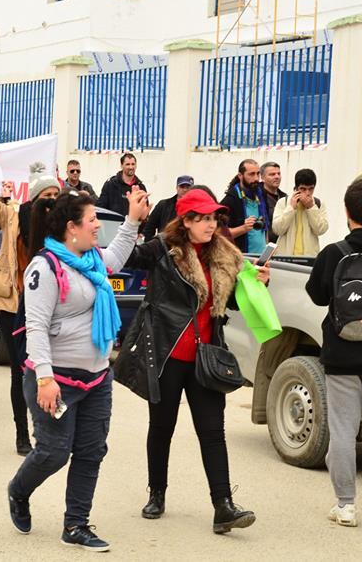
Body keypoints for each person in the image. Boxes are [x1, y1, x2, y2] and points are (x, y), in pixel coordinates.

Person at [118, 188, 269, 534]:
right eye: (201, 218)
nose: (210, 224)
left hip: (205, 357)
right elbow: (125, 260)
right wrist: (131, 220)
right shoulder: (163, 250)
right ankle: (157, 493)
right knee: (162, 428)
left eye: (213, 217)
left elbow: (228, 305)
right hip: (168, 354)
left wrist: (258, 283)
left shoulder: (226, 254)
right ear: (185, 222)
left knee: (213, 432)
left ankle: (223, 506)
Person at [7, 188, 149, 551]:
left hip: (98, 376)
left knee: (90, 451)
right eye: (92, 221)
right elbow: (36, 326)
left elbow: (116, 257)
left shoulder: (93, 260)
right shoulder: (46, 267)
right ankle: (18, 490)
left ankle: (76, 524)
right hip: (57, 381)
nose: (97, 226)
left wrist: (132, 219)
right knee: (54, 452)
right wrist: (45, 378)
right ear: (71, 228)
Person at [305, 179, 362, 528]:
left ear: (346, 212)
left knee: (342, 430)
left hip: (341, 357)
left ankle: (346, 506)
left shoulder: (333, 252)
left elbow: (317, 296)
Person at [0, 161, 60, 455]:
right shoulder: (12, 216)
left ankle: (49, 430)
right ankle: (22, 434)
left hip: (50, 305)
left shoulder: (63, 226)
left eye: (55, 195)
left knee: (51, 370)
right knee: (21, 371)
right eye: (46, 195)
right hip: (15, 303)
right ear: (34, 198)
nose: (51, 201)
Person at [271, 169, 328, 256]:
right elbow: (277, 230)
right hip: (286, 257)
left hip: (309, 258)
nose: (307, 193)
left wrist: (311, 208)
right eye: (303, 189)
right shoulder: (283, 202)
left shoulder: (318, 204)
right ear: (296, 188)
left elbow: (320, 230)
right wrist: (291, 208)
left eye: (311, 189)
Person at [220, 159, 268, 254]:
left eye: (258, 174)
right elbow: (220, 234)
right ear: (240, 176)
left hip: (261, 258)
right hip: (242, 259)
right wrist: (244, 228)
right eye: (251, 174)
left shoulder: (261, 194)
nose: (256, 178)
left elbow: (265, 227)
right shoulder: (230, 201)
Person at [142, 175, 194, 242]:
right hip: (165, 247)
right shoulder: (163, 205)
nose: (185, 190)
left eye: (188, 187)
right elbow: (149, 227)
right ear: (177, 188)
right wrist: (151, 247)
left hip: (187, 247)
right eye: (182, 186)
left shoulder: (197, 208)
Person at [259, 162, 286, 242]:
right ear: (262, 177)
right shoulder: (256, 197)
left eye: (278, 174)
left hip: (282, 245)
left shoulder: (285, 198)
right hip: (263, 246)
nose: (277, 177)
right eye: (272, 174)